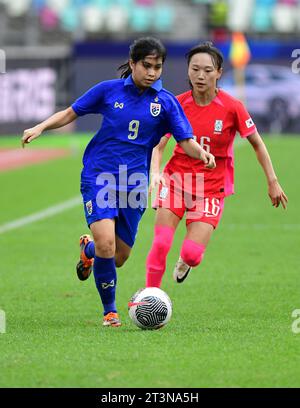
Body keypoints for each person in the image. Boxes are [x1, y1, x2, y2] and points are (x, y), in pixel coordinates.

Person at [21, 37, 216, 327]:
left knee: (119, 256)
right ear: (133, 63)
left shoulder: (166, 103)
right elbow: (71, 113)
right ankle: (109, 312)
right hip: (99, 176)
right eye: (146, 66)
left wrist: (202, 154)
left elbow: (184, 141)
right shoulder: (108, 91)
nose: (152, 72)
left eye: (158, 67)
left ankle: (88, 251)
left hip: (134, 184)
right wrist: (40, 127)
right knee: (107, 244)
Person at [146, 42, 288, 288]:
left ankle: (186, 261)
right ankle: (150, 298)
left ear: (219, 72)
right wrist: (156, 173)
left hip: (211, 188)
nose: (200, 76)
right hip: (177, 180)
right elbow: (158, 145)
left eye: (208, 70)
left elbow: (257, 144)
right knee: (160, 243)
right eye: (195, 69)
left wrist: (272, 181)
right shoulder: (176, 104)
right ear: (188, 71)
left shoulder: (233, 107)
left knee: (192, 254)